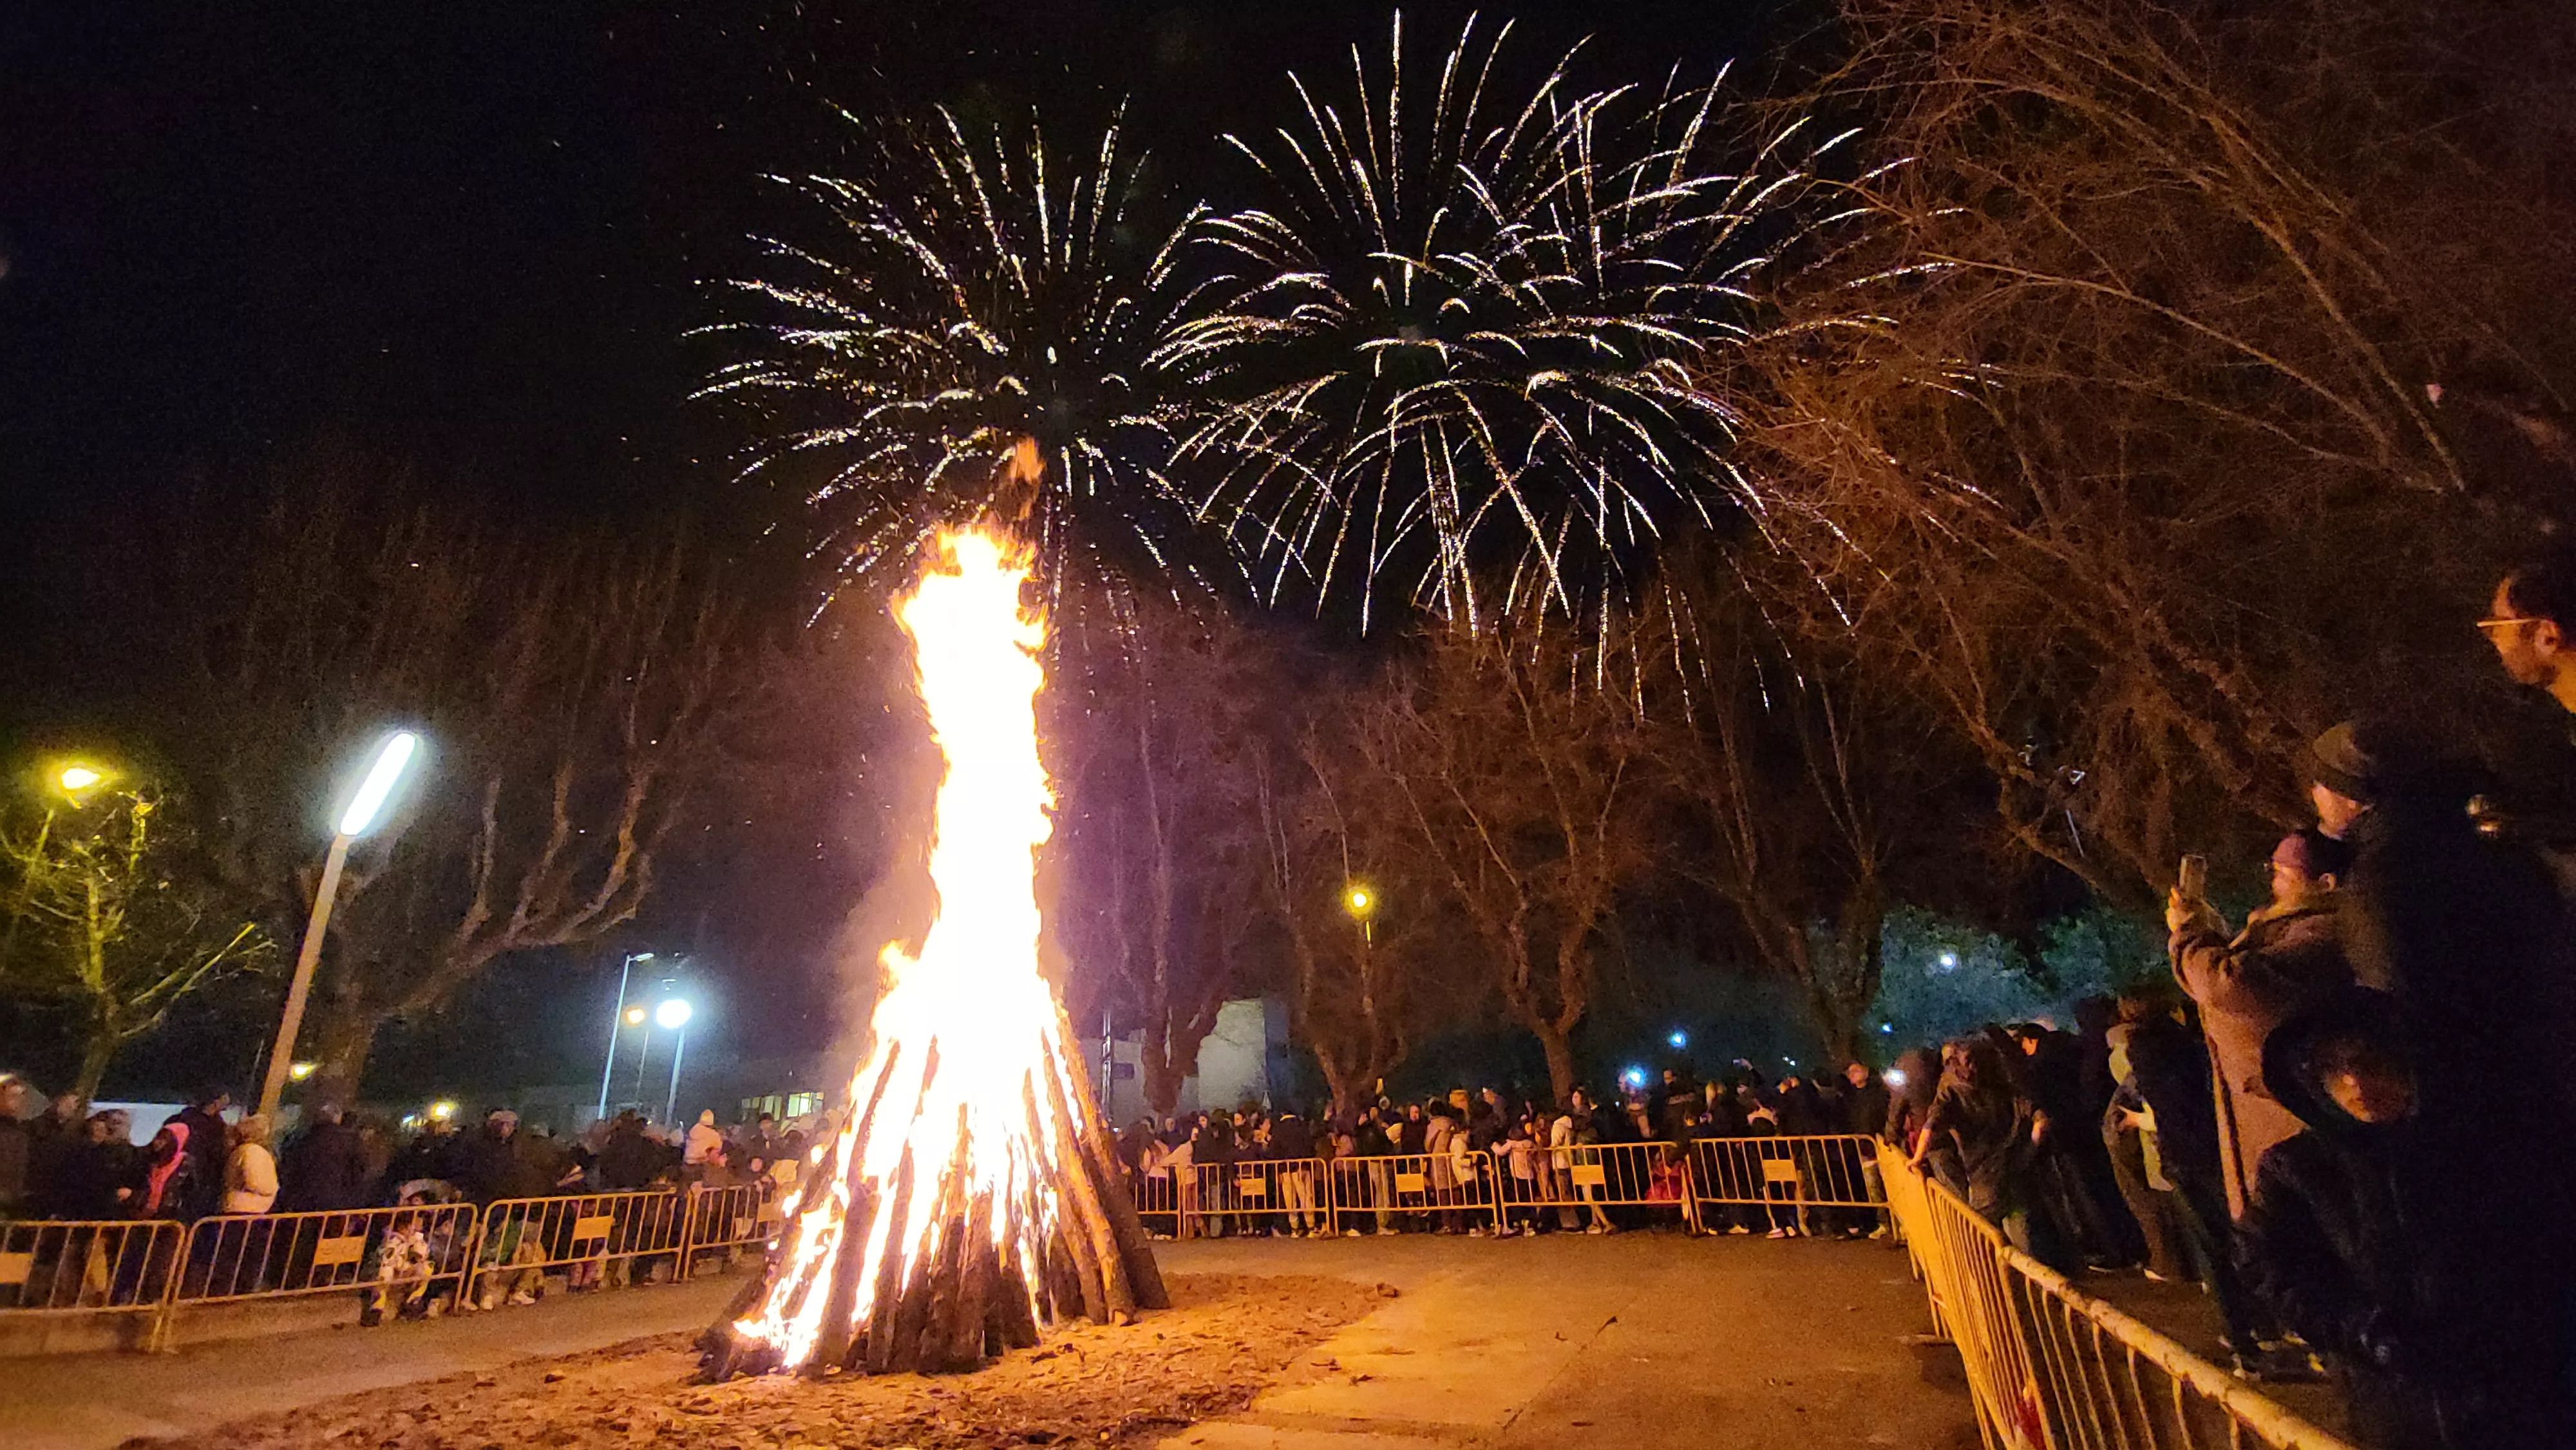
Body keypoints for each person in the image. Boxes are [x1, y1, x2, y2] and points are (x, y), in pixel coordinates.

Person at [2239, 988, 2574, 1447]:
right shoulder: (2299, 1169)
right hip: (2391, 1404)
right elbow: (2270, 1263)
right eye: (2333, 1070)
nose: (2355, 1083)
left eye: (2370, 1062)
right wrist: (2360, 1328)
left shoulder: (2487, 1145)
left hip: (2515, 1395)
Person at [2168, 830, 2356, 1220]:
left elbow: (2234, 983)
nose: (2275, 882)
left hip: (2293, 1120)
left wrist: (2190, 935)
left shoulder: (2324, 929)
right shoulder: (2281, 928)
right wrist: (2208, 930)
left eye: (2286, 873)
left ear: (2326, 883)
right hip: (2266, 1122)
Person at [166, 1088, 231, 1222]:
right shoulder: (214, 1127)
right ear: (215, 1102)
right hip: (196, 1177)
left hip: (186, 1174)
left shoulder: (182, 1118)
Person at [0, 1075, 32, 1219]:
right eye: (13, 1096)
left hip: (10, 1204)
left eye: (21, 1097)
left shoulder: (21, 1132)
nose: (18, 1102)